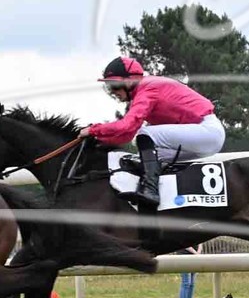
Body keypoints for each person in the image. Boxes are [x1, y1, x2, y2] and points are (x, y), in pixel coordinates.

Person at [87, 56, 226, 207]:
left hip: (207, 131)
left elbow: (126, 125)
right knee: (147, 157)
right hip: (200, 138)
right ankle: (162, 198)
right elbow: (127, 135)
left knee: (145, 134)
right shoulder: (142, 93)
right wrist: (98, 140)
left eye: (114, 85)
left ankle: (150, 191)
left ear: (130, 80)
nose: (113, 91)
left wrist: (93, 130)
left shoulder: (148, 87)